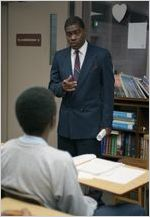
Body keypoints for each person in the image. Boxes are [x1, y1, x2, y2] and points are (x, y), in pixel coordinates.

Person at [1, 87, 145, 216]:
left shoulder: (4, 151)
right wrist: (90, 202)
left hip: (23, 212)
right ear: (52, 121)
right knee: (136, 210)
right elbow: (79, 212)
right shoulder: (60, 161)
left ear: (20, 119)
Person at [48, 16, 114, 157]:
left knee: (88, 174)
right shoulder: (59, 57)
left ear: (84, 31)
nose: (72, 37)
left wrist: (107, 123)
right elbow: (52, 87)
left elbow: (108, 93)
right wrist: (62, 87)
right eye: (69, 34)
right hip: (66, 128)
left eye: (76, 33)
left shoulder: (101, 55)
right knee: (66, 172)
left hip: (90, 127)